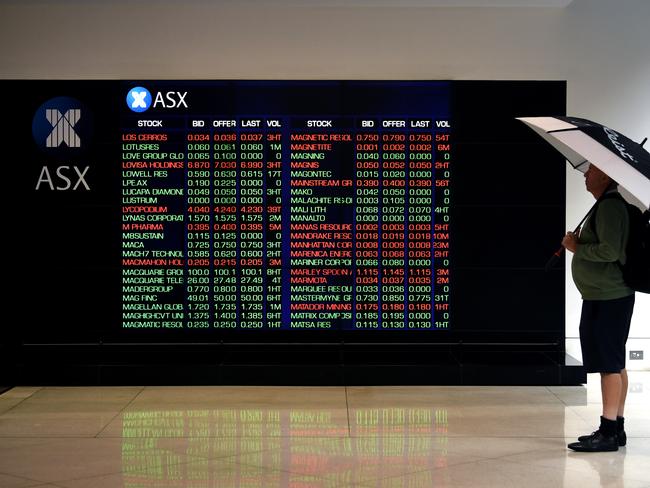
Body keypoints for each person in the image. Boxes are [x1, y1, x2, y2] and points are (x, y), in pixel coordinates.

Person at [562, 163, 635, 452]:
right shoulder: (605, 206)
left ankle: (607, 432)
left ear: (605, 175)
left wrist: (576, 247)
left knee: (609, 364)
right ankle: (615, 428)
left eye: (590, 170)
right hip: (603, 296)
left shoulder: (609, 208)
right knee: (614, 362)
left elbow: (610, 251)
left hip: (609, 297)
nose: (585, 174)